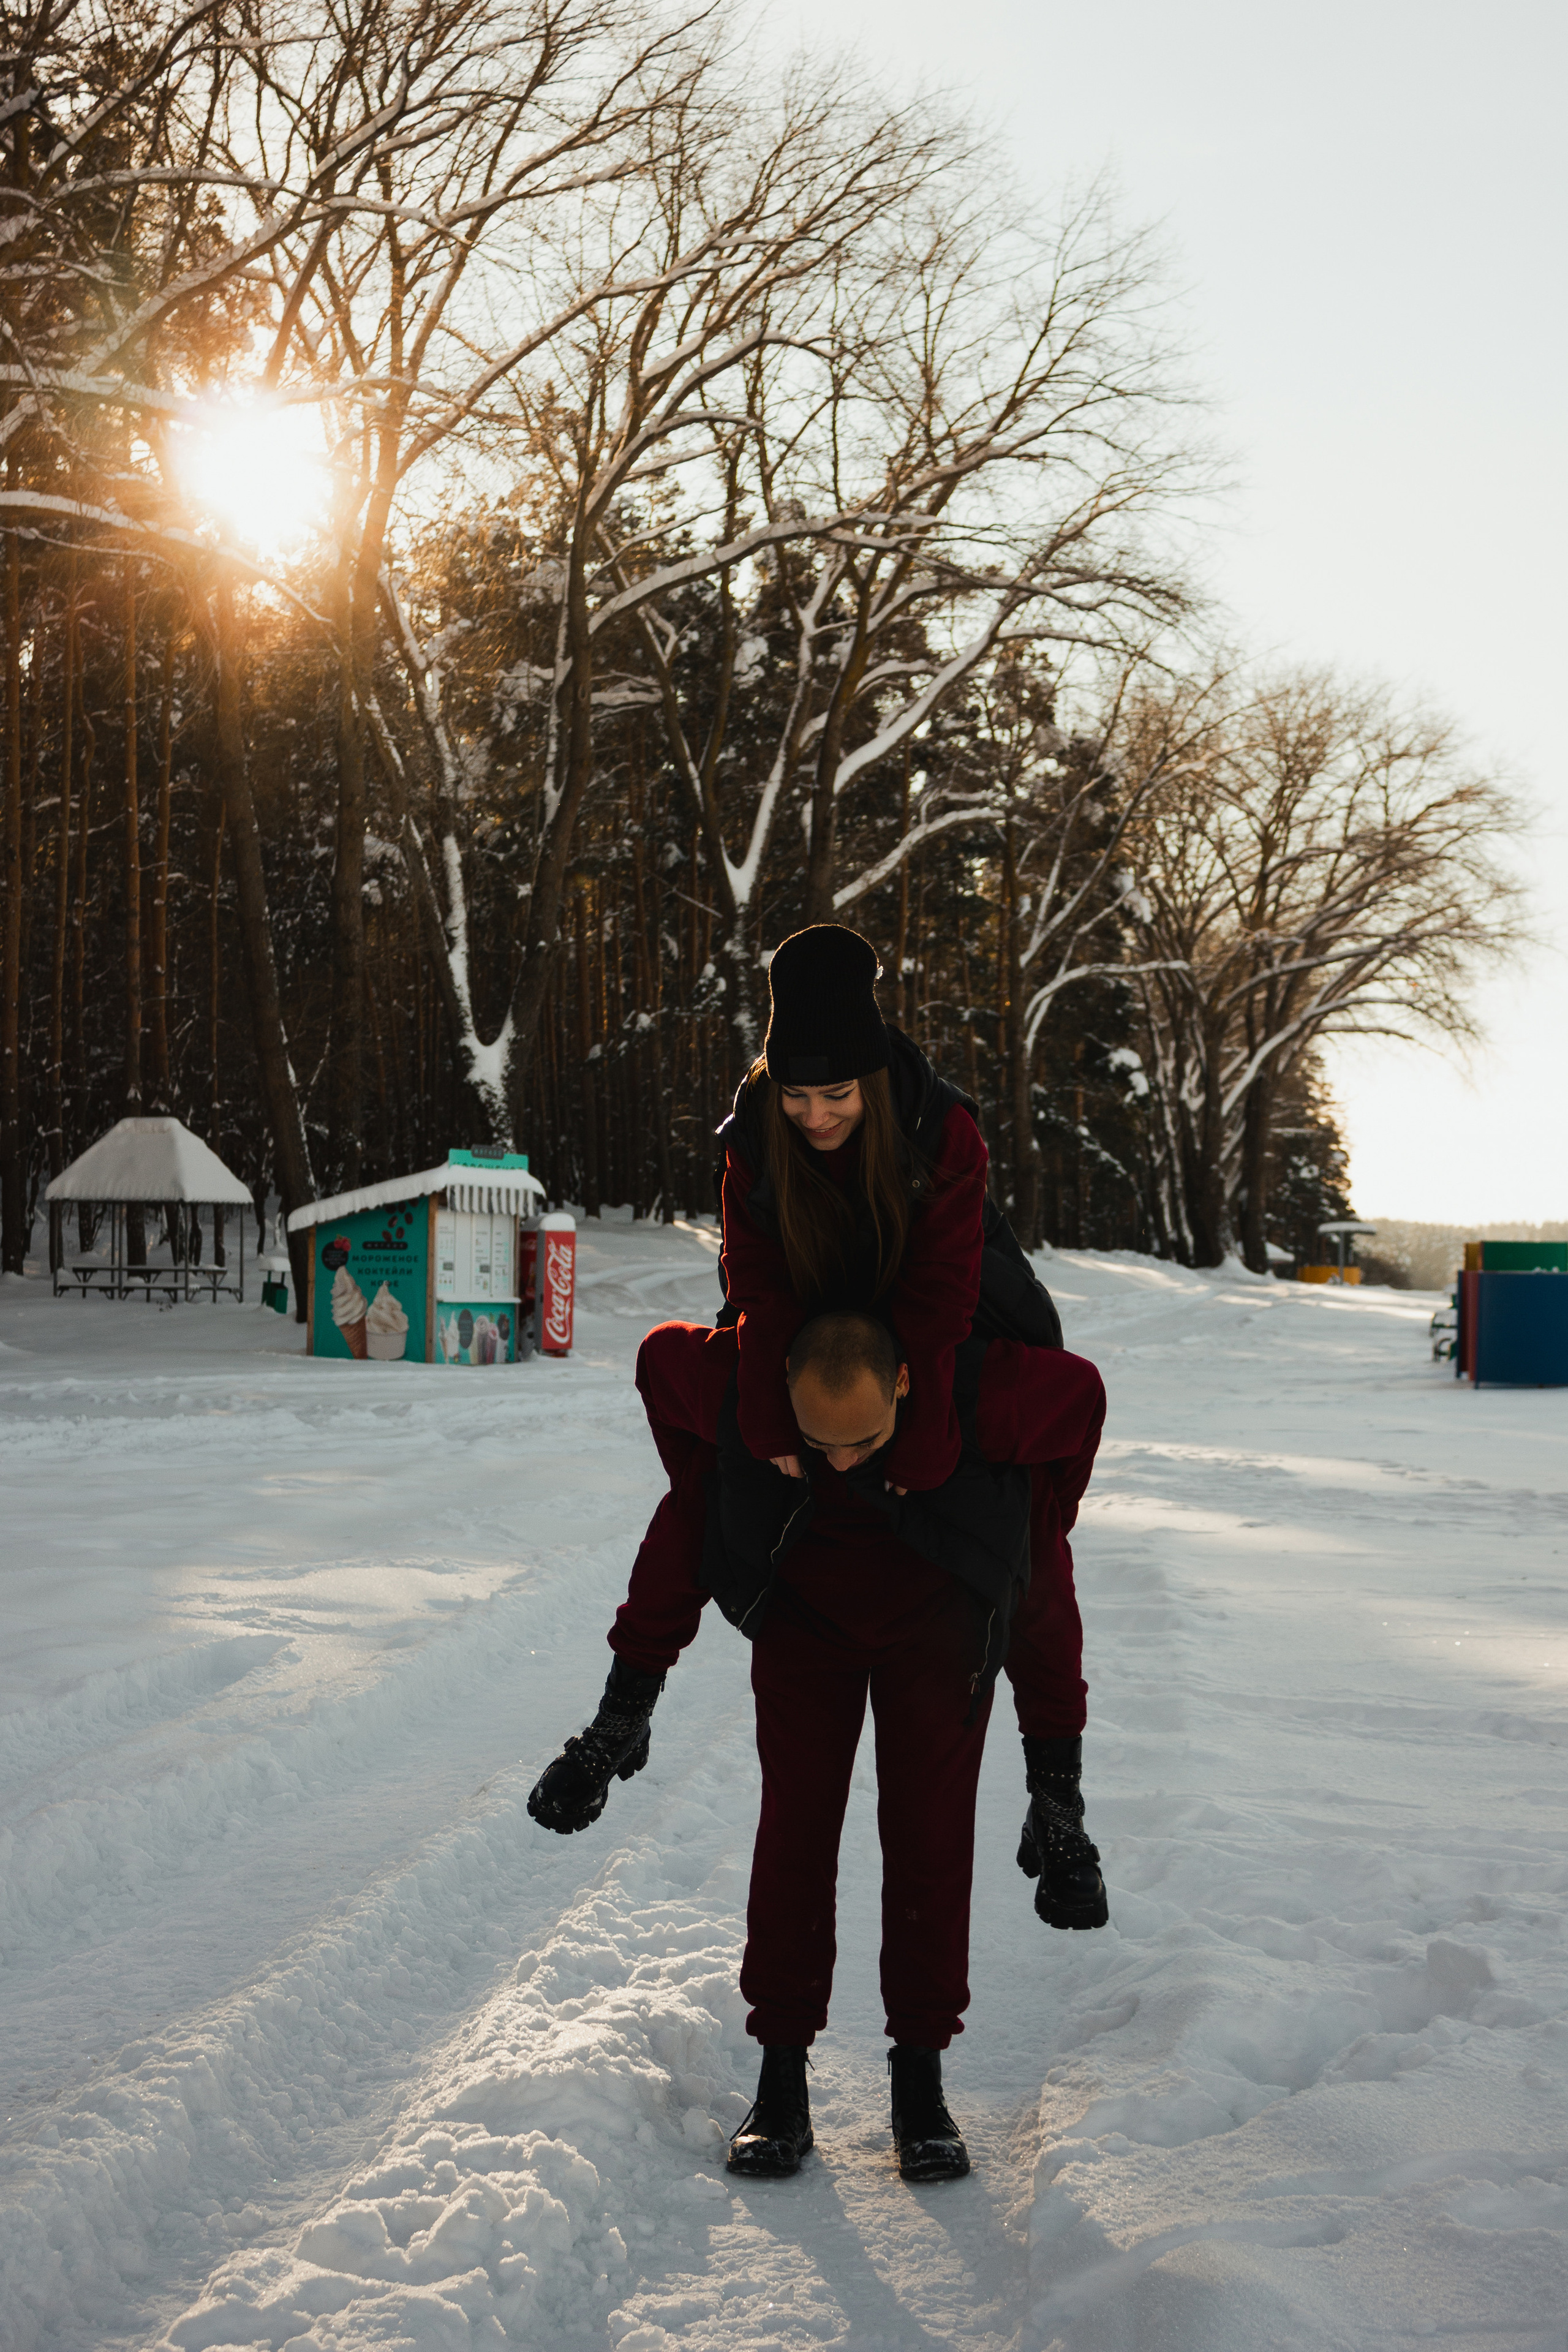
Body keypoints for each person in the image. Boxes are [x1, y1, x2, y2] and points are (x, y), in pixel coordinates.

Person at [529, 1308, 1107, 2185]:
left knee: (931, 1843)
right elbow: (677, 1498)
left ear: (908, 1386)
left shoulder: (986, 1409)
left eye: (863, 1441)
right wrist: (618, 1721)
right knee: (793, 1837)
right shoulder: (742, 1401)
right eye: (818, 1441)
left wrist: (1056, 1793)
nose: (840, 1462)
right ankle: (781, 2082)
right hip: (806, 1627)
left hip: (940, 1627)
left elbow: (1044, 1576)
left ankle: (921, 2082)